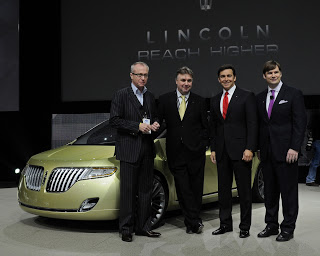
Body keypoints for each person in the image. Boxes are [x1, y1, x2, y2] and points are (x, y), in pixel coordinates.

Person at [109, 61, 161, 242]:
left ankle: (144, 227)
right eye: (139, 75)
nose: (143, 78)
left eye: (145, 75)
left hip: (147, 150)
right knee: (128, 192)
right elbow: (114, 121)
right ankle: (126, 229)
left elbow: (153, 117)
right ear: (131, 75)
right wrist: (137, 126)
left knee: (146, 191)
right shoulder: (121, 95)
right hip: (129, 150)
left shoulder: (150, 96)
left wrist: (154, 124)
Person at [256, 60, 307, 242]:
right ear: (264, 76)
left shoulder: (293, 94)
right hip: (267, 153)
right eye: (269, 73)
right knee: (269, 192)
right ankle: (271, 225)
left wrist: (295, 147)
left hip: (287, 153)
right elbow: (261, 126)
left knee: (288, 192)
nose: (273, 75)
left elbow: (300, 124)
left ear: (280, 73)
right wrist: (259, 148)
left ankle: (287, 228)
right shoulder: (260, 97)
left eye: (276, 72)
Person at [157, 66, 209, 234]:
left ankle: (192, 222)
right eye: (183, 80)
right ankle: (194, 221)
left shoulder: (200, 101)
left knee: (195, 189)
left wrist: (203, 145)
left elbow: (205, 127)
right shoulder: (164, 100)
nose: (186, 84)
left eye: (189, 81)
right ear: (176, 81)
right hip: (176, 153)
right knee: (183, 188)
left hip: (196, 153)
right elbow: (158, 124)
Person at [209, 64, 258, 238]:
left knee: (244, 191)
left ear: (235, 77)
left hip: (241, 151)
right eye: (223, 76)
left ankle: (244, 226)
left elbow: (253, 124)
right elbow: (214, 127)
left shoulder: (246, 96)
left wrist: (250, 148)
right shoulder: (214, 100)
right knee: (223, 191)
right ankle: (225, 224)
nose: (226, 79)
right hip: (222, 152)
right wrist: (213, 149)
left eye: (229, 76)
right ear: (219, 79)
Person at [305, 110, 320, 186]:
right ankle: (310, 179)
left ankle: (310, 179)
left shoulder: (315, 115)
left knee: (316, 160)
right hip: (317, 140)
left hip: (316, 139)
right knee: (316, 160)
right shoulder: (316, 116)